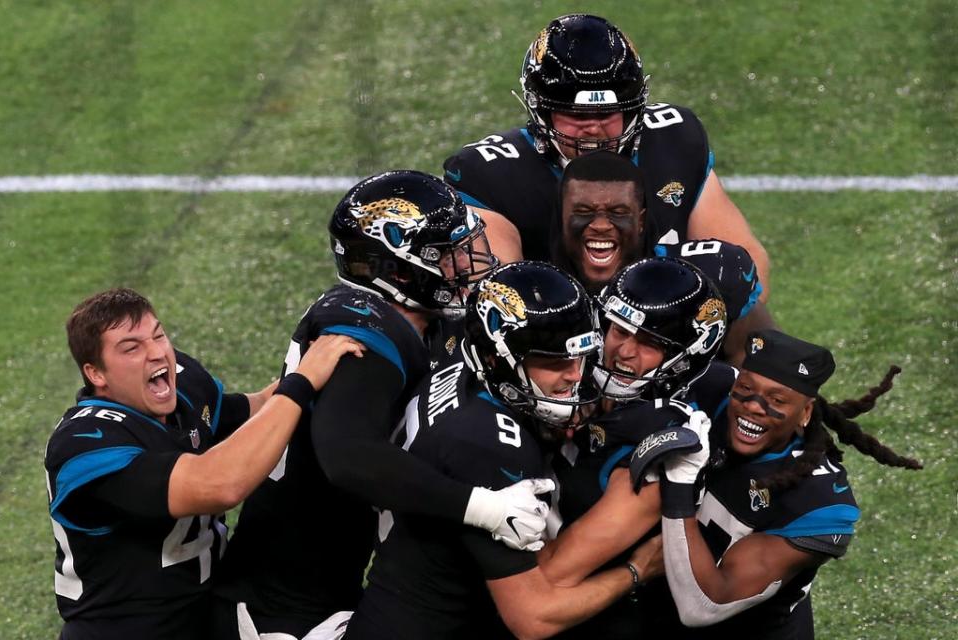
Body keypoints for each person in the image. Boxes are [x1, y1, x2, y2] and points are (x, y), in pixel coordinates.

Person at [213, 171, 555, 639]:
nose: (466, 261)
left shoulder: (395, 318)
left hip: (312, 585)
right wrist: (483, 508)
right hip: (282, 615)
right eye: (446, 253)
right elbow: (348, 457)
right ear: (398, 269)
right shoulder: (366, 339)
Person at [344, 261, 656, 640]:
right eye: (553, 360)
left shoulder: (463, 367)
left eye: (579, 357)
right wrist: (637, 570)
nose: (576, 375)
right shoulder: (490, 446)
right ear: (497, 359)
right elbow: (532, 617)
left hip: (396, 597)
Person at [44, 287, 364, 640]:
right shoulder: (84, 445)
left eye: (158, 336)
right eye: (132, 348)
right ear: (96, 373)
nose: (157, 354)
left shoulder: (182, 389)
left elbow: (250, 410)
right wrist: (302, 381)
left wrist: (335, 376)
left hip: (210, 614)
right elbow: (221, 484)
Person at [443, 13, 770, 300]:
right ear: (541, 110)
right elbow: (503, 305)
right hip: (557, 353)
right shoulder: (491, 174)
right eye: (577, 116)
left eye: (607, 113)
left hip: (672, 340)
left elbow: (746, 267)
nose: (594, 130)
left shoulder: (673, 138)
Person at [658, 329, 923, 638]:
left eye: (777, 399)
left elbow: (702, 605)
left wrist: (679, 484)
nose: (754, 406)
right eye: (745, 388)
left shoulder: (820, 502)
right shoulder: (714, 393)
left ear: (805, 413)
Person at [541, 256, 736, 637]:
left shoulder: (663, 440)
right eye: (619, 330)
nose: (624, 351)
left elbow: (551, 576)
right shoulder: (577, 377)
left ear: (685, 360)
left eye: (649, 342)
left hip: (597, 618)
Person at [552, 150, 772, 364]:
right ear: (561, 218)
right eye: (583, 212)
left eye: (618, 213)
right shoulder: (537, 285)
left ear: (641, 221)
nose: (600, 225)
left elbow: (767, 362)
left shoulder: (692, 280)